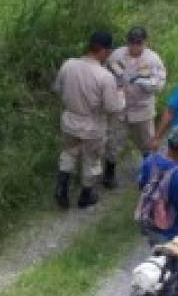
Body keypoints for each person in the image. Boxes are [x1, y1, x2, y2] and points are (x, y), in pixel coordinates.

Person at [53, 30, 125, 209]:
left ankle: (62, 187)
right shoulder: (105, 76)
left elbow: (57, 88)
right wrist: (121, 93)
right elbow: (112, 108)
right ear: (104, 51)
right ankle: (86, 195)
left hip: (69, 120)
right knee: (91, 160)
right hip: (92, 125)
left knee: (68, 153)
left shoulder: (68, 64)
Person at [104, 26, 167, 188]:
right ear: (127, 41)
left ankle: (148, 175)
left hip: (142, 109)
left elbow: (159, 84)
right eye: (131, 42)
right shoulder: (117, 55)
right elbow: (107, 75)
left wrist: (146, 83)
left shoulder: (152, 59)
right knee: (114, 141)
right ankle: (109, 174)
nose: (134, 46)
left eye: (138, 43)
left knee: (147, 143)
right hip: (120, 108)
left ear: (145, 42)